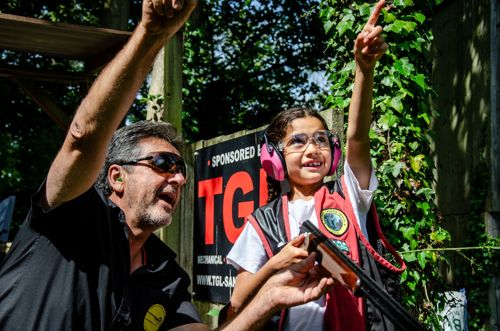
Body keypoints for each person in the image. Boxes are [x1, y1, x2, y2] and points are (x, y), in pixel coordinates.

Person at [0, 0, 334, 330]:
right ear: (116, 177)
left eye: (181, 170)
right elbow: (83, 137)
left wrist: (267, 299)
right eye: (163, 163)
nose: (179, 179)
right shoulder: (70, 216)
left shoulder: (167, 276)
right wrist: (149, 35)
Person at [227, 1, 407, 330]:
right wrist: (275, 264)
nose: (312, 149)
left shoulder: (350, 197)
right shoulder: (261, 223)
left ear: (333, 154)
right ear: (274, 159)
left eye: (321, 139)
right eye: (297, 141)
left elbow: (359, 139)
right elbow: (238, 302)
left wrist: (364, 70)